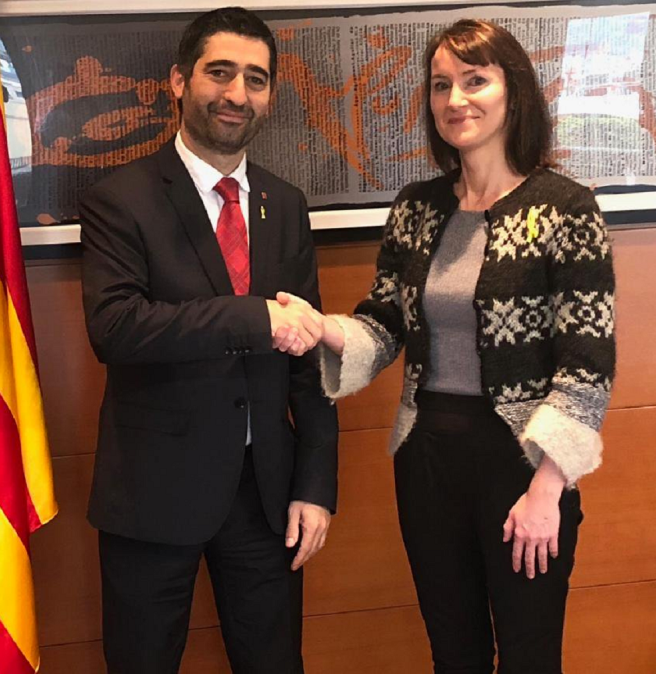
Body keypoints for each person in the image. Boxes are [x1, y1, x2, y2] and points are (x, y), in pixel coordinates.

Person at [290, 18, 615, 674]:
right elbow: (385, 324)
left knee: (529, 655)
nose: (455, 99)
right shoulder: (417, 208)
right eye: (441, 85)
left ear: (512, 92)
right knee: (454, 653)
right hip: (428, 458)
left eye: (474, 81)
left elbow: (587, 364)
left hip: (523, 463)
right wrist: (325, 328)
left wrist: (549, 489)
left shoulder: (566, 208)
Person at [78, 8, 338, 673]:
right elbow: (116, 328)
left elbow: (308, 357)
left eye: (255, 78)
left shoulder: (286, 204)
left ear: (270, 94)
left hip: (266, 495)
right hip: (152, 494)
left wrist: (315, 484)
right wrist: (254, 319)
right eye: (219, 73)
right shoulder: (120, 199)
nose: (236, 93)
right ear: (178, 81)